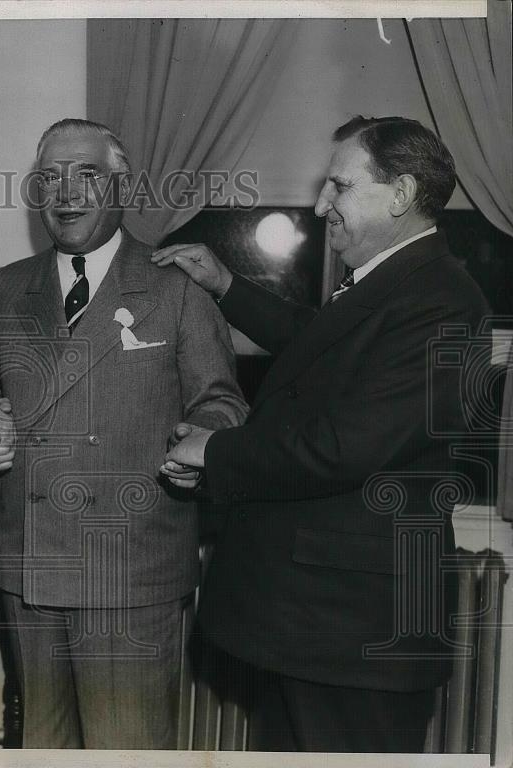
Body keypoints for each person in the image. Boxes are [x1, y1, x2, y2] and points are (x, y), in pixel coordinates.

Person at [155, 116, 490, 752]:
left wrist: (215, 449)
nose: (319, 205)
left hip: (355, 640)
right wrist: (225, 284)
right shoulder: (400, 284)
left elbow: (347, 445)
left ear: (399, 195)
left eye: (339, 186)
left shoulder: (443, 301)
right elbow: (324, 344)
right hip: (325, 632)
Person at [0, 118, 247, 749]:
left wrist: (200, 442)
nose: (65, 191)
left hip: (130, 573)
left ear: (123, 185)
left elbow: (222, 402)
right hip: (31, 570)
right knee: (43, 749)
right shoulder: (7, 286)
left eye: (86, 173)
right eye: (50, 176)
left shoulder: (176, 288)